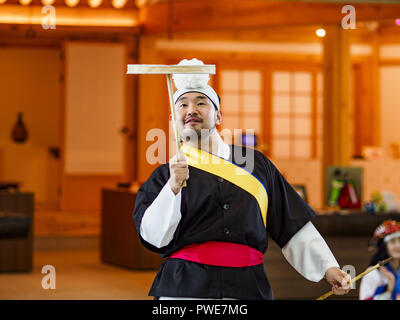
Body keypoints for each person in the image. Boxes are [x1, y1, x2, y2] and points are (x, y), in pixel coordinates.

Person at [132, 58, 351, 300]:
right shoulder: (164, 175)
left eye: (201, 102)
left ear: (218, 116)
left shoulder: (257, 164)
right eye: (182, 104)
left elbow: (291, 221)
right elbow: (152, 237)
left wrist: (327, 267)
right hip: (186, 287)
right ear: (174, 120)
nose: (191, 109)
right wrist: (173, 186)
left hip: (249, 286)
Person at [359, 220, 400, 300]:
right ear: (384, 247)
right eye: (392, 241)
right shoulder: (372, 273)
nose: (398, 245)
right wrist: (389, 288)